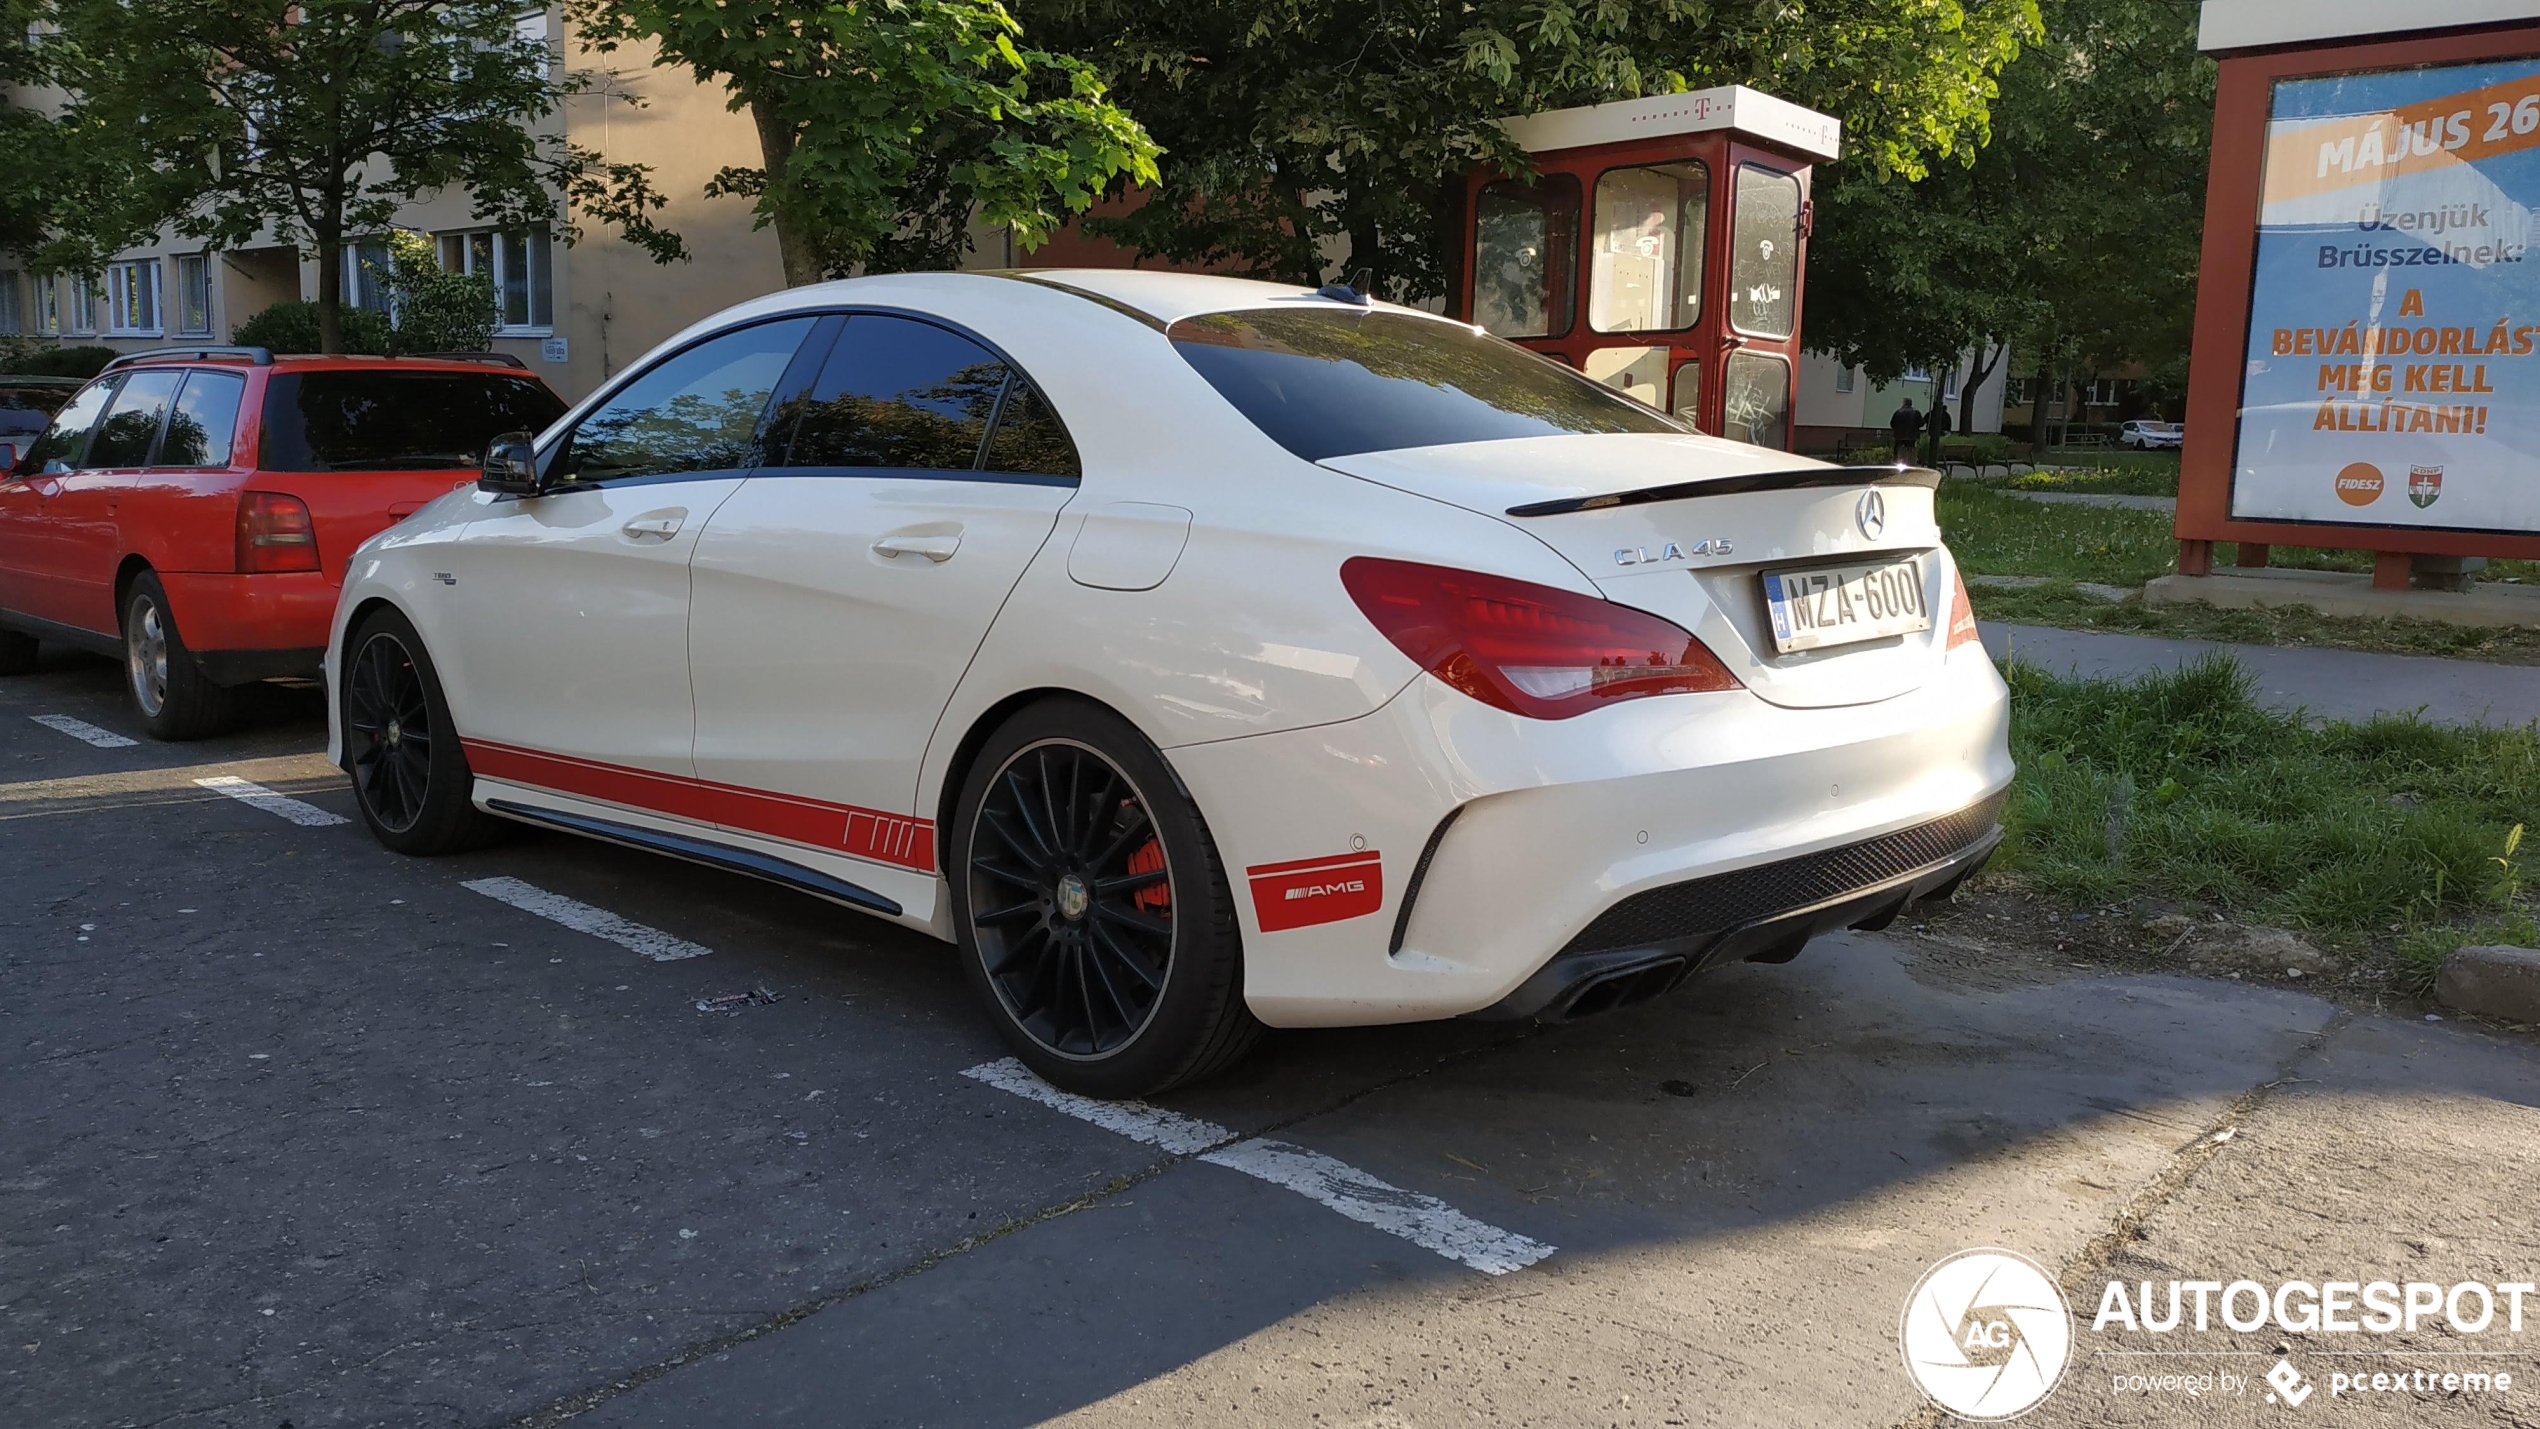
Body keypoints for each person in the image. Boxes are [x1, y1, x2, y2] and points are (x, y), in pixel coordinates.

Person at [1888, 399, 1922, 464]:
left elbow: (1892, 424)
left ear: (1904, 403)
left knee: (1897, 448)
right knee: (1910, 449)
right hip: (1912, 436)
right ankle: (1910, 462)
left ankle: (1896, 461)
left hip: (1899, 436)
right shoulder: (1916, 412)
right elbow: (1921, 423)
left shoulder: (1898, 412)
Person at [1924, 398, 1953, 466]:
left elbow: (1924, 421)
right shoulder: (1946, 415)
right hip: (1944, 433)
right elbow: (1949, 425)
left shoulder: (1930, 413)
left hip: (1932, 433)